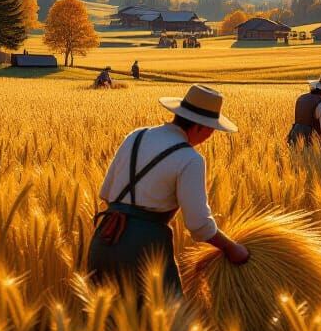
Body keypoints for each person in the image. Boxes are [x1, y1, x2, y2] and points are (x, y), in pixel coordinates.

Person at [88, 83, 249, 300]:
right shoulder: (190, 159)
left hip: (104, 239)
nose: (210, 136)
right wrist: (232, 249)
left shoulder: (136, 136)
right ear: (201, 127)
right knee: (165, 326)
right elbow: (199, 225)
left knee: (108, 326)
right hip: (145, 250)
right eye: (212, 130)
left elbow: (106, 192)